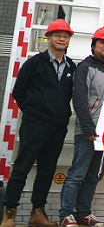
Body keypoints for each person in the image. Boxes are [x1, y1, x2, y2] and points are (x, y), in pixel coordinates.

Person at [1, 19, 77, 227]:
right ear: (49, 37)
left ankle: (37, 213)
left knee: (46, 171)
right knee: (22, 168)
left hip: (58, 128)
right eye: (58, 35)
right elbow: (19, 91)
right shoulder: (34, 63)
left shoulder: (71, 67)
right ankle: (9, 213)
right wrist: (34, 112)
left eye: (66, 36)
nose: (62, 39)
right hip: (35, 125)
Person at [58, 27, 104, 227]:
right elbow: (79, 99)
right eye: (102, 42)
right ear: (93, 45)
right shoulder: (85, 67)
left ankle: (83, 213)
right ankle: (66, 214)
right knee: (77, 174)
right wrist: (87, 127)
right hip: (89, 131)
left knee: (94, 176)